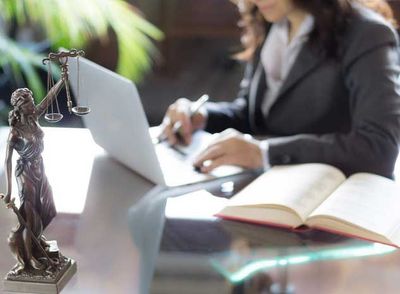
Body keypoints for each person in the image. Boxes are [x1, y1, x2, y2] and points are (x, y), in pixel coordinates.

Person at [160, 0, 400, 179]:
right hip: (268, 189)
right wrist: (203, 116)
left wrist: (264, 153)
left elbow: (379, 148)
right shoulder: (272, 21)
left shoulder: (367, 34)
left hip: (326, 205)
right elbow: (255, 115)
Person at [0, 81, 65, 274]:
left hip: (40, 169)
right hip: (25, 173)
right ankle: (29, 261)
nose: (33, 104)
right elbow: (7, 161)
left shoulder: (33, 116)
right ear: (20, 106)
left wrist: (63, 79)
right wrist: (9, 191)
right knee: (29, 218)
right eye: (28, 102)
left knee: (48, 208)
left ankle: (37, 243)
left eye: (31, 101)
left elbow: (48, 99)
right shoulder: (15, 132)